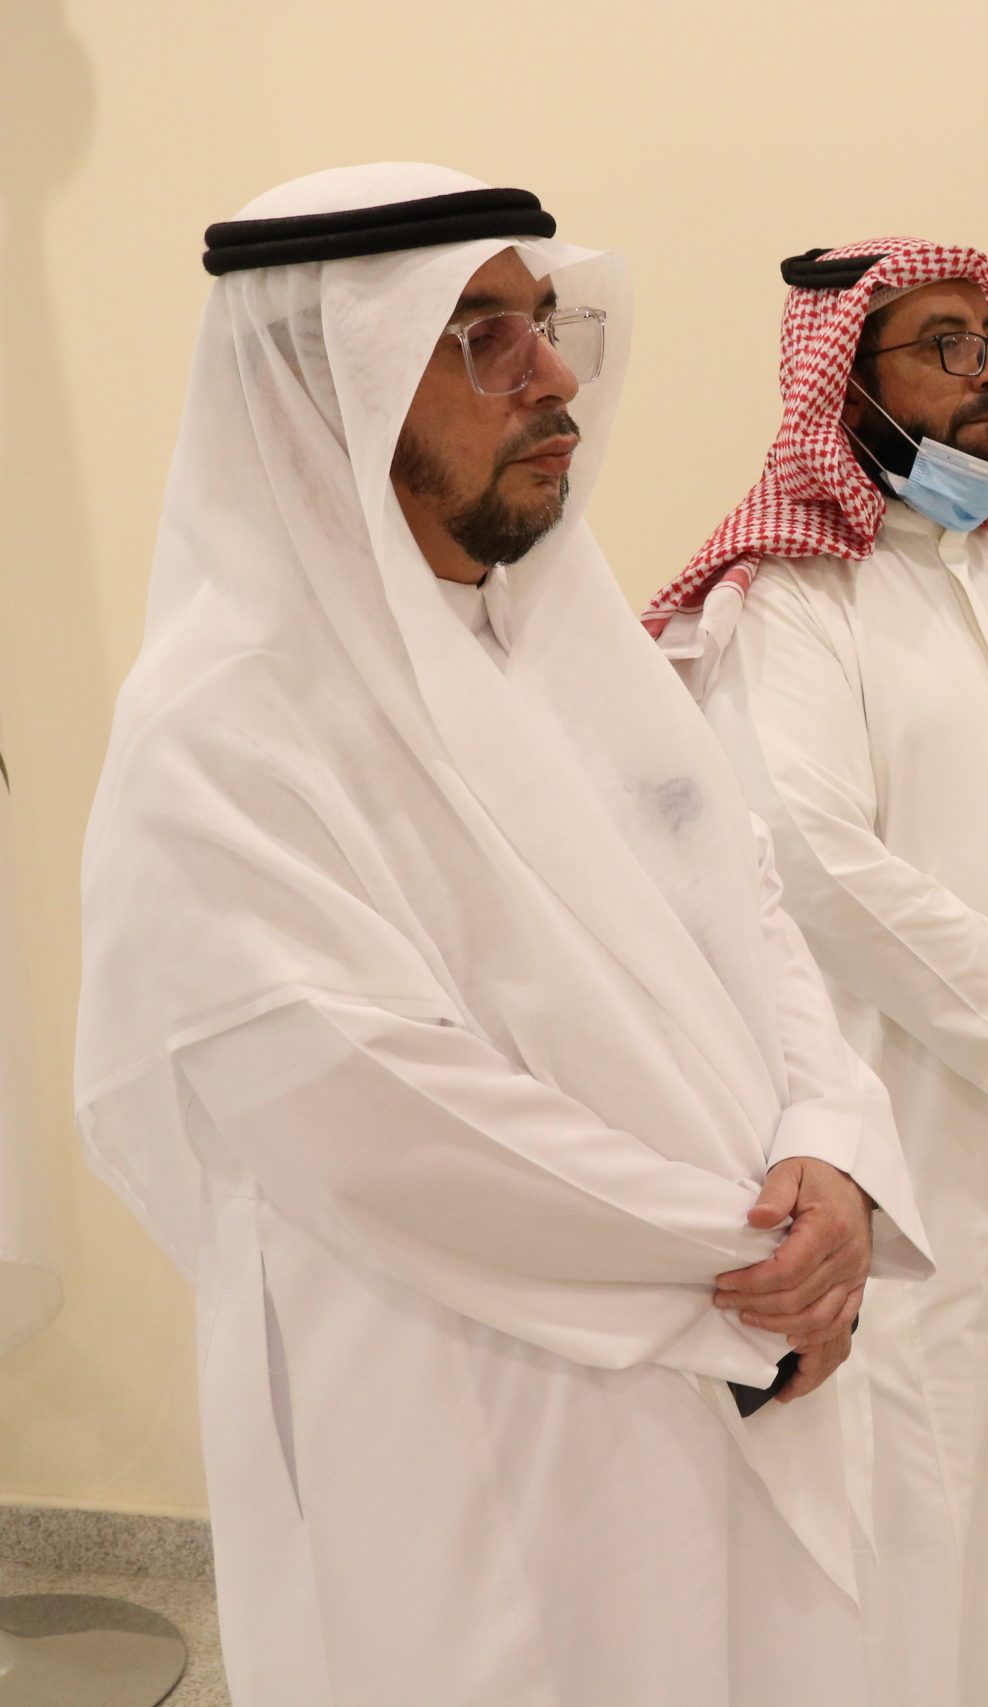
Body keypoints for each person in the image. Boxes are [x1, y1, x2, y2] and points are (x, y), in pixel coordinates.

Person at [73, 165, 927, 1707]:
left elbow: (744, 901)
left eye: (544, 319)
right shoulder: (223, 719)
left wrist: (834, 1143)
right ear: (328, 382)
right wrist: (754, 1253)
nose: (553, 377)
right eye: (480, 335)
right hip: (472, 1408)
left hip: (736, 1338)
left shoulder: (563, 631)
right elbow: (376, 1116)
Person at [646, 239, 988, 1706]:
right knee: (929, 1481)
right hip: (917, 1125)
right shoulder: (789, 598)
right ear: (848, 386)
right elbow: (811, 858)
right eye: (945, 346)